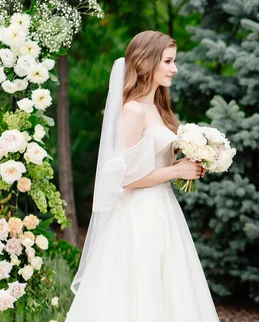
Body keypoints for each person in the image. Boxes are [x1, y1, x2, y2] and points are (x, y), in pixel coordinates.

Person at [66, 31, 219, 321]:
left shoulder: (159, 109)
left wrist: (196, 157)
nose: (174, 68)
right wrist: (177, 170)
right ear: (147, 62)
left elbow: (155, 162)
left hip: (163, 210)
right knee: (139, 289)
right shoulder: (133, 110)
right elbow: (127, 178)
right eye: (168, 61)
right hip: (138, 215)